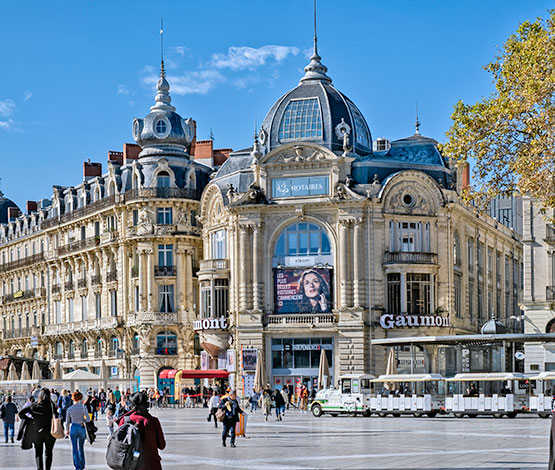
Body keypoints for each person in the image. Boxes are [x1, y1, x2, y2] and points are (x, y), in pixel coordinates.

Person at [117, 392, 166, 470]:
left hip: (131, 464)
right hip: (151, 464)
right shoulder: (153, 421)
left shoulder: (124, 420)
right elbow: (162, 445)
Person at [18, 388, 58, 470]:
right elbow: (57, 416)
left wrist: (30, 418)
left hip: (37, 432)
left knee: (38, 453)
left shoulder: (34, 406)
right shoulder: (52, 406)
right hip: (50, 432)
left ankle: (39, 468)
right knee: (49, 452)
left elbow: (21, 413)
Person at [66, 391, 91, 470]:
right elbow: (88, 419)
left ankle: (77, 466)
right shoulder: (84, 407)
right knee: (81, 447)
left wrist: (67, 430)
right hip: (81, 427)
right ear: (80, 398)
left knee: (74, 448)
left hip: (73, 427)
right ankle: (82, 464)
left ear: (73, 398)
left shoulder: (70, 409)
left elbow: (67, 422)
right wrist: (82, 419)